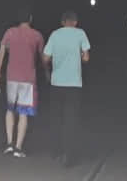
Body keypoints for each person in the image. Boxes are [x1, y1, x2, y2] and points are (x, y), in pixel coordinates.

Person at [44, 10, 92, 167]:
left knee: (56, 118)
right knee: (71, 120)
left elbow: (45, 58)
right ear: (75, 22)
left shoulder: (55, 35)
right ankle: (68, 154)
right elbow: (86, 58)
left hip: (57, 83)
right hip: (74, 84)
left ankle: (55, 151)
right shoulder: (81, 34)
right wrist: (79, 56)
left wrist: (48, 69)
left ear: (62, 21)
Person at [0, 11, 45, 157]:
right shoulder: (37, 35)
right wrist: (47, 73)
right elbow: (42, 58)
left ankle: (9, 143)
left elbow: (1, 53)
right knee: (24, 112)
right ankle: (18, 148)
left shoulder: (9, 33)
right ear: (31, 19)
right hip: (28, 79)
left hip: (11, 77)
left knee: (10, 109)